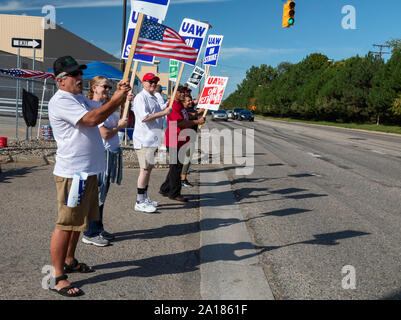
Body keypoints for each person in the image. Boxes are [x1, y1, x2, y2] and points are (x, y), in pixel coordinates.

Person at [48, 56, 130, 297]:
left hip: (87, 171)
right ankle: (57, 275)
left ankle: (70, 260)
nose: (79, 79)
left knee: (78, 223)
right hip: (73, 173)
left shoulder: (78, 98)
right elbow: (93, 120)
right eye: (74, 75)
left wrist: (118, 96)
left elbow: (100, 109)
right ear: (60, 81)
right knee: (65, 224)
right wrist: (116, 99)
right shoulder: (61, 100)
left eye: (79, 74)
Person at [81, 76, 128, 247]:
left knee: (103, 193)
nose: (108, 90)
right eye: (105, 87)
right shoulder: (92, 107)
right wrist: (119, 127)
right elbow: (105, 134)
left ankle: (98, 228)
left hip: (110, 154)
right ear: (94, 87)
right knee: (97, 194)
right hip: (101, 154)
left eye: (110, 88)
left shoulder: (106, 108)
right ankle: (89, 232)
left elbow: (116, 122)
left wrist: (124, 102)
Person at [131, 73, 172, 213]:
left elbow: (158, 112)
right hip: (144, 140)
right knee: (144, 170)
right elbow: (144, 117)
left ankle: (144, 197)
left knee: (148, 170)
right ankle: (139, 200)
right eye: (150, 81)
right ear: (144, 82)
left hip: (152, 139)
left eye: (155, 82)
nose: (153, 84)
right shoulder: (141, 97)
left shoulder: (153, 97)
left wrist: (165, 107)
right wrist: (164, 112)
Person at [159, 86, 205, 202]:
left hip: (180, 140)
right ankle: (174, 193)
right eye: (181, 92)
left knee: (175, 167)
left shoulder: (179, 105)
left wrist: (194, 115)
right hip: (174, 140)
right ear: (175, 93)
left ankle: (165, 188)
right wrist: (196, 121)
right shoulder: (173, 105)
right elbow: (179, 123)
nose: (184, 94)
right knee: (177, 168)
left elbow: (185, 115)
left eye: (184, 92)